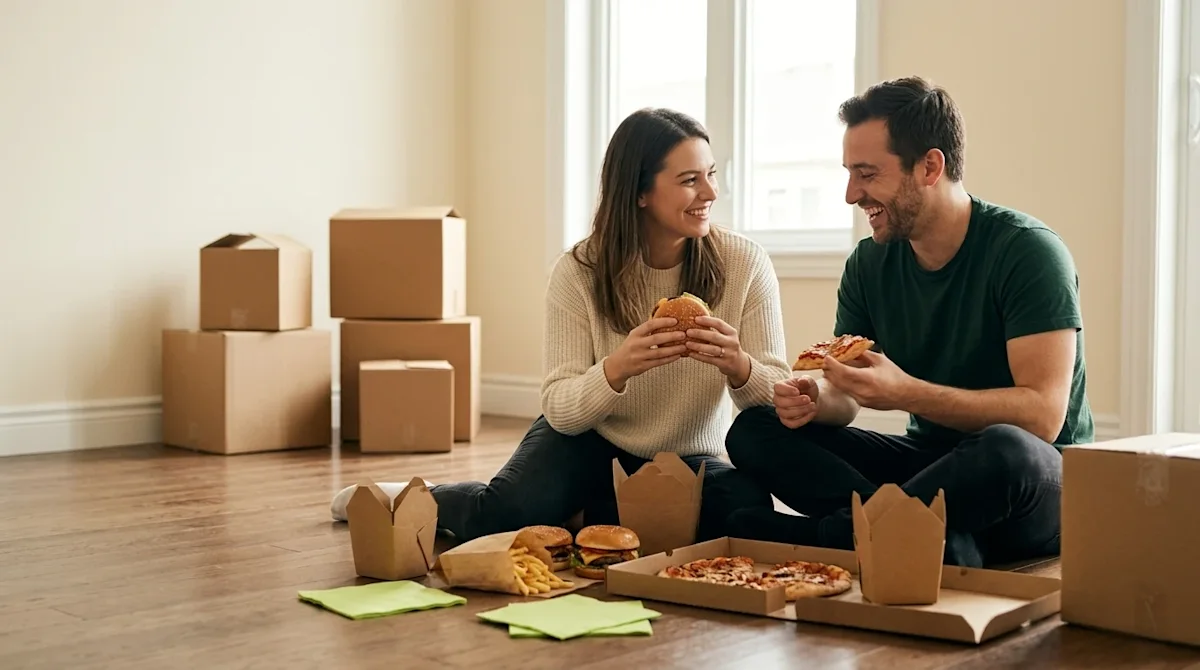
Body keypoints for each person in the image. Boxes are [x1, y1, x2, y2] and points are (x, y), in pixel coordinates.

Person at [330, 108, 792, 543]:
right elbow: (559, 407)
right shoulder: (579, 271)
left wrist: (739, 366)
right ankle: (414, 497)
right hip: (591, 442)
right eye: (690, 180)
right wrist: (617, 369)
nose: (710, 193)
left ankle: (578, 513)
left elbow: (777, 392)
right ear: (640, 191)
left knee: (743, 512)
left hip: (688, 456)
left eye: (711, 175)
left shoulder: (744, 263)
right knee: (506, 516)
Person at [725, 77, 1094, 569]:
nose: (851, 194)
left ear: (930, 166)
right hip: (932, 465)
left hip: (1036, 481)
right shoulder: (869, 263)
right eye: (849, 174)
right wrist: (818, 400)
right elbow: (848, 395)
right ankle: (927, 540)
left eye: (867, 174)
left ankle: (842, 536)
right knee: (754, 430)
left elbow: (1043, 418)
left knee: (1005, 448)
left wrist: (906, 393)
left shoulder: (1027, 252)